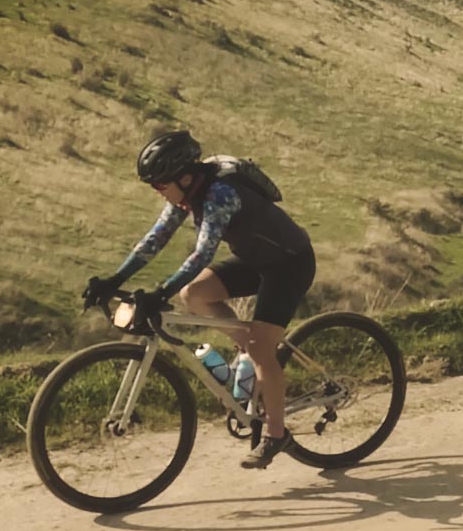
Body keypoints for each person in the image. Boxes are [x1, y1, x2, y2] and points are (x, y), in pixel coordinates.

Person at [84, 130, 315, 469]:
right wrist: (114, 280)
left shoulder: (220, 194)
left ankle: (276, 434)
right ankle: (252, 352)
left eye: (160, 186)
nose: (159, 193)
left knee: (263, 350)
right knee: (194, 294)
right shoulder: (188, 194)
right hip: (256, 260)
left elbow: (201, 255)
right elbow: (155, 238)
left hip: (290, 264)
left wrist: (159, 292)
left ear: (184, 177)